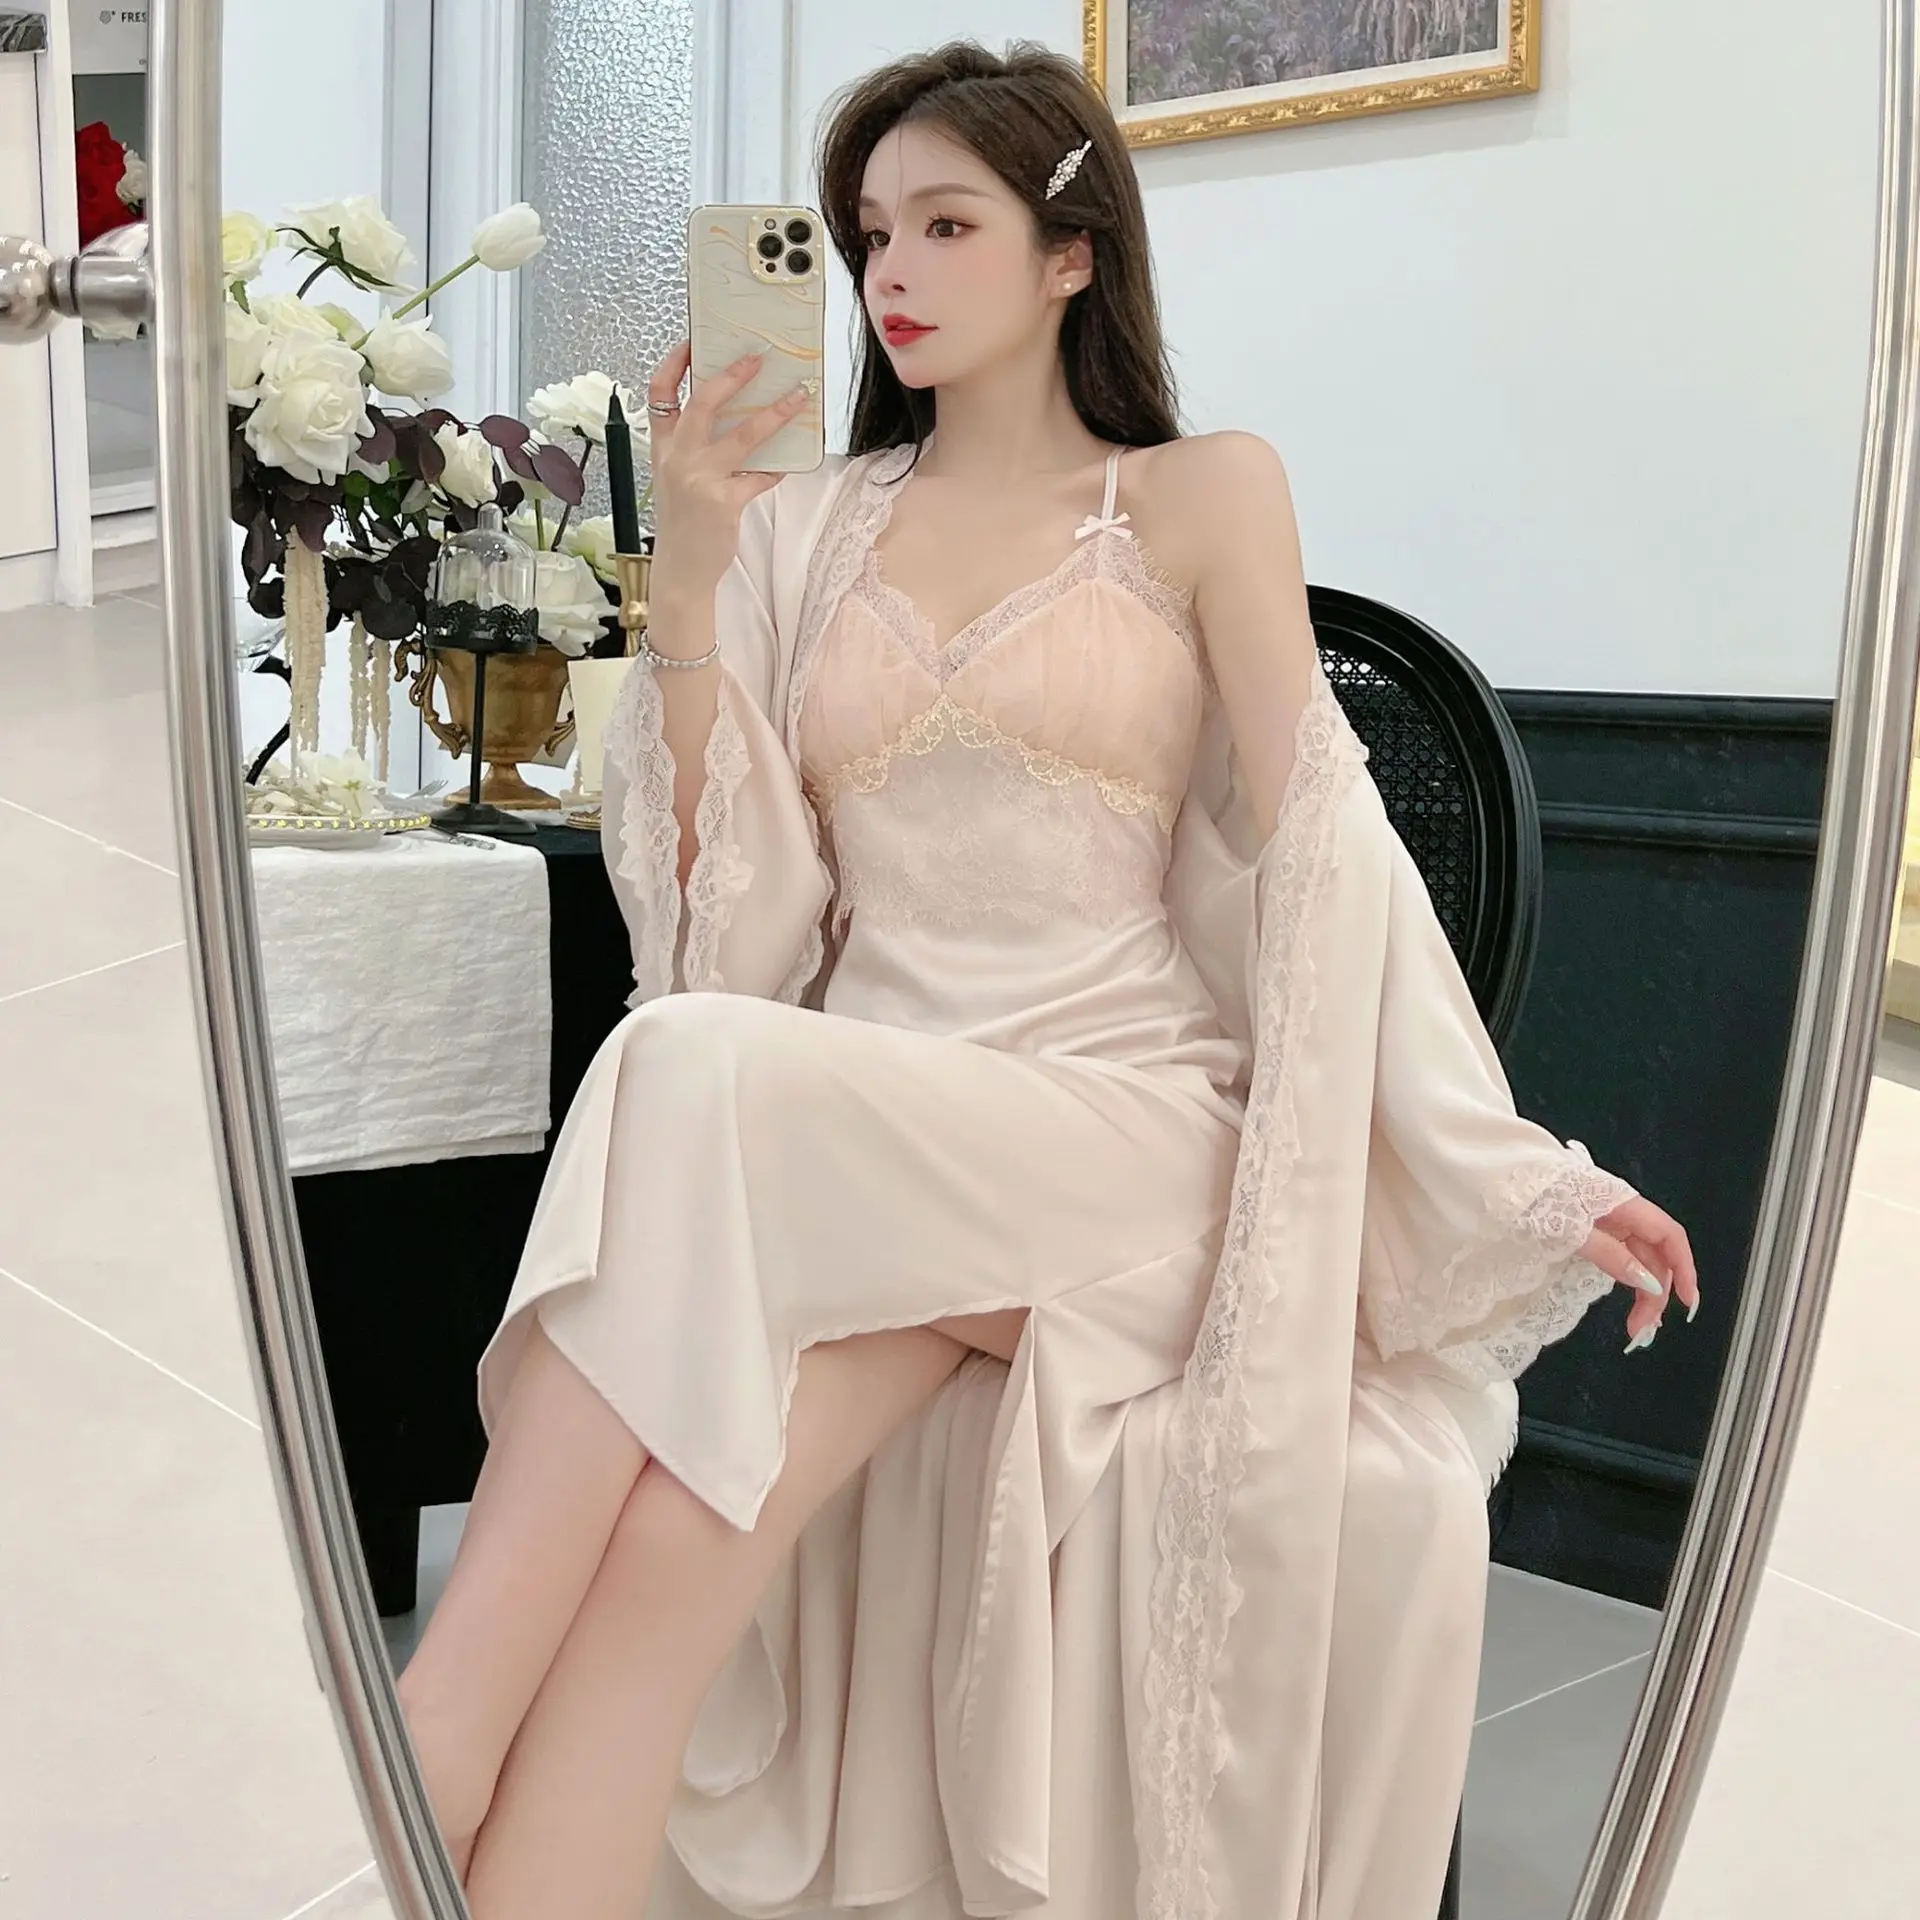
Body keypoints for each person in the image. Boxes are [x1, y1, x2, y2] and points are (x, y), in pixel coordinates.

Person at [394, 38, 1700, 1920]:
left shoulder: (1204, 495)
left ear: (1072, 252)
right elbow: (725, 922)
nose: (891, 273)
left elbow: (1329, 855)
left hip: (1127, 1133)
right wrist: (687, 577)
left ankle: (428, 1734)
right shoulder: (801, 525)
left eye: (947, 225)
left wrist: (1515, 1174)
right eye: (867, 234)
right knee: (680, 1536)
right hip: (868, 1141)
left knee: (680, 1071)